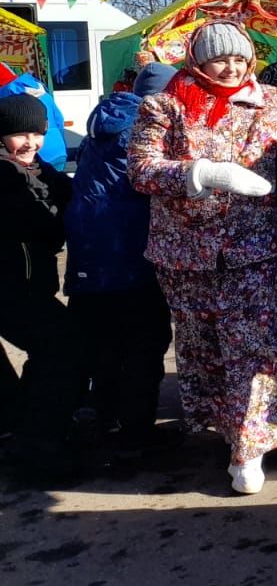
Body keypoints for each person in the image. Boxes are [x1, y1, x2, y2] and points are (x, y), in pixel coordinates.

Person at [129, 20, 277, 495]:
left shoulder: (273, 102)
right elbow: (140, 170)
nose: (232, 66)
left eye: (240, 58)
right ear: (197, 60)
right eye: (221, 58)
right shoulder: (166, 105)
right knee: (206, 351)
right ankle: (227, 431)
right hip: (185, 257)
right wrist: (205, 173)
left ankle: (250, 449)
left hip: (255, 252)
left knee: (258, 351)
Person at [63, 62, 177, 459]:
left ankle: (100, 416)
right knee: (144, 345)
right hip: (131, 257)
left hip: (88, 260)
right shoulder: (147, 130)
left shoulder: (103, 123)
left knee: (102, 345)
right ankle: (136, 435)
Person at [0, 91, 86, 481]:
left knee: (58, 350)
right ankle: (39, 446)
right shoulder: (5, 177)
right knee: (63, 348)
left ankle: (26, 430)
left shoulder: (42, 174)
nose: (30, 143)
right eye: (19, 134)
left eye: (37, 132)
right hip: (8, 291)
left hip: (32, 287)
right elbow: (35, 220)